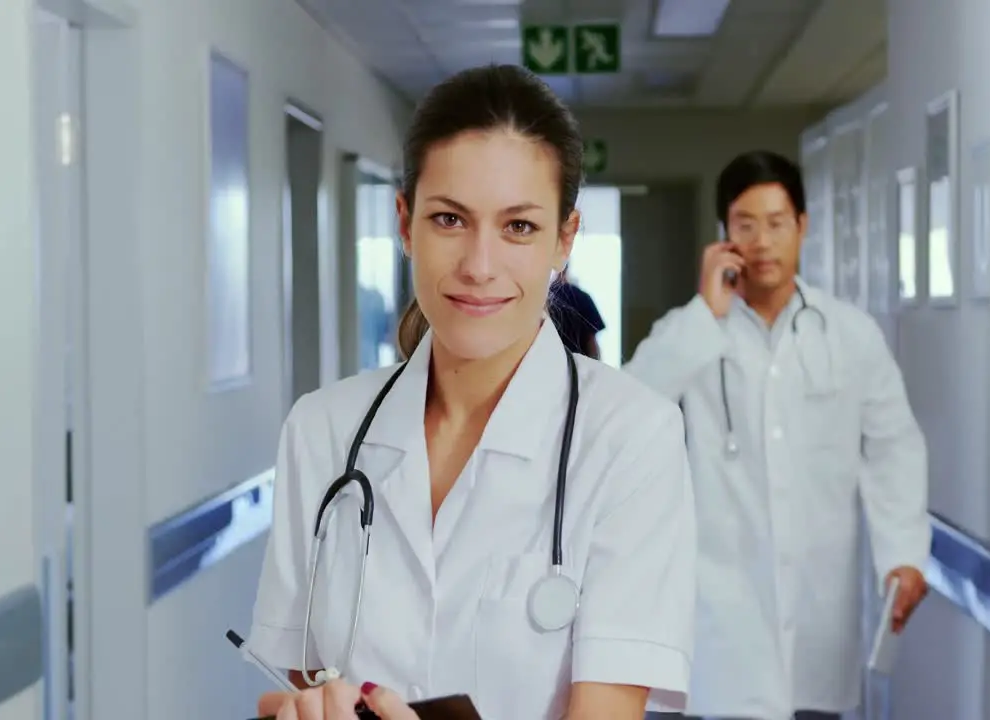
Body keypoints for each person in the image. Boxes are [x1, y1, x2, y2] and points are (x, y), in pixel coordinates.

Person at [249, 64, 696, 720]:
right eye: (450, 219)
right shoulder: (322, 431)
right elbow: (298, 688)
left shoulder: (632, 439)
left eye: (518, 227)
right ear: (405, 223)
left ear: (564, 239)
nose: (479, 266)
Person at [627, 150, 930, 720]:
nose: (762, 241)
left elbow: (893, 445)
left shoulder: (849, 334)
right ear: (723, 236)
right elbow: (630, 407)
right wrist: (704, 314)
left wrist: (904, 554)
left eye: (776, 223)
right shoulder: (689, 331)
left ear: (802, 226)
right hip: (719, 624)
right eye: (745, 224)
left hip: (818, 617)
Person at [549, 269, 606, 359]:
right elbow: (592, 341)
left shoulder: (544, 301)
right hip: (578, 364)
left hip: (549, 360)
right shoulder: (582, 297)